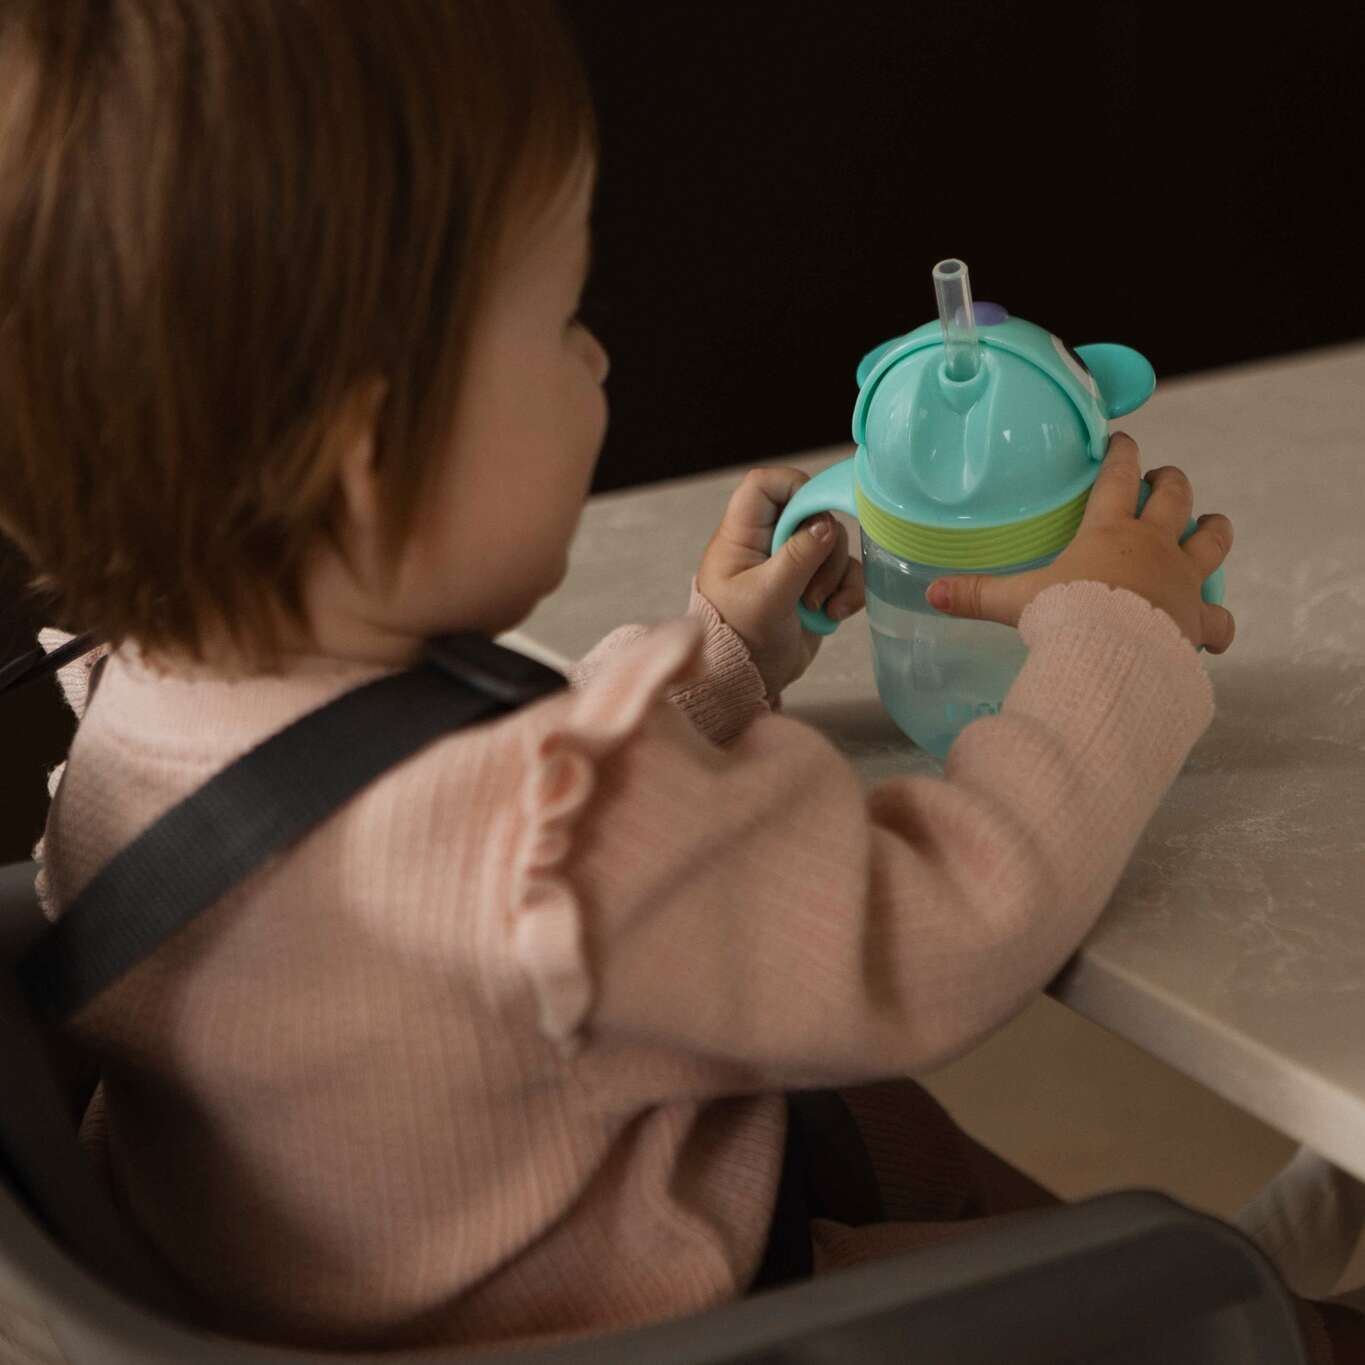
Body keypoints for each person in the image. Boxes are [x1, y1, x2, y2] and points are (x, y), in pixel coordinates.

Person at [3, 1, 1359, 1359]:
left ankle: (1239, 1277)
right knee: (1094, 1248)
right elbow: (947, 919)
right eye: (559, 319)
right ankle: (1264, 1314)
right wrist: (1112, 629)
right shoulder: (554, 842)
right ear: (369, 454)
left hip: (426, 1285)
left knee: (884, 1129)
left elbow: (469, 852)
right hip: (705, 1326)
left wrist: (716, 667)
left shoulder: (135, 709)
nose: (596, 357)